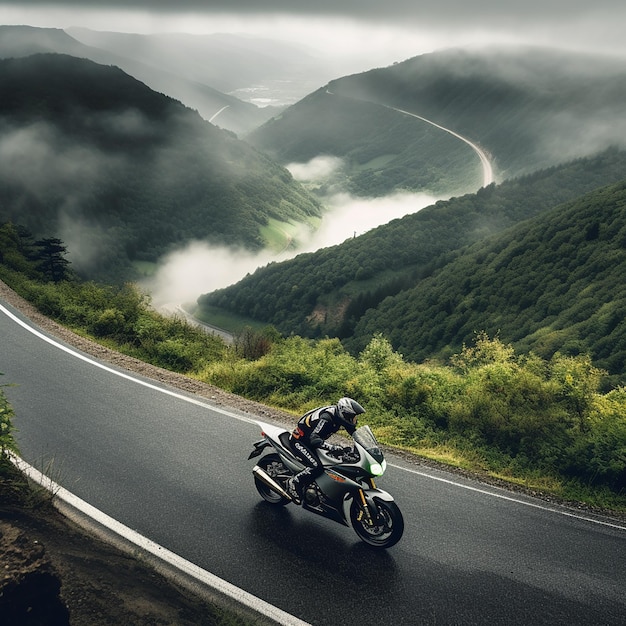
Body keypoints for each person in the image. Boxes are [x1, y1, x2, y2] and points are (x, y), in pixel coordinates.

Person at [286, 397, 365, 504]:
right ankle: (294, 482)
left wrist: (364, 446)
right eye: (352, 417)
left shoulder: (340, 417)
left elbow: (354, 434)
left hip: (312, 441)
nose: (354, 420)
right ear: (344, 413)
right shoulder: (326, 418)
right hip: (300, 441)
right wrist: (331, 447)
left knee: (332, 462)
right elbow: (314, 439)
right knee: (316, 466)